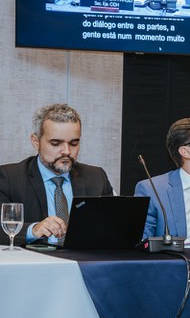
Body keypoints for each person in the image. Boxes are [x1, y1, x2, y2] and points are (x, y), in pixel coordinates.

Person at [0, 104, 114, 245]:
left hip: (84, 263)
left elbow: (113, 227)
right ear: (36, 142)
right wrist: (33, 230)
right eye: (56, 143)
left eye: (73, 143)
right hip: (35, 263)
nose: (66, 151)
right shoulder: (8, 178)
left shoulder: (96, 177)